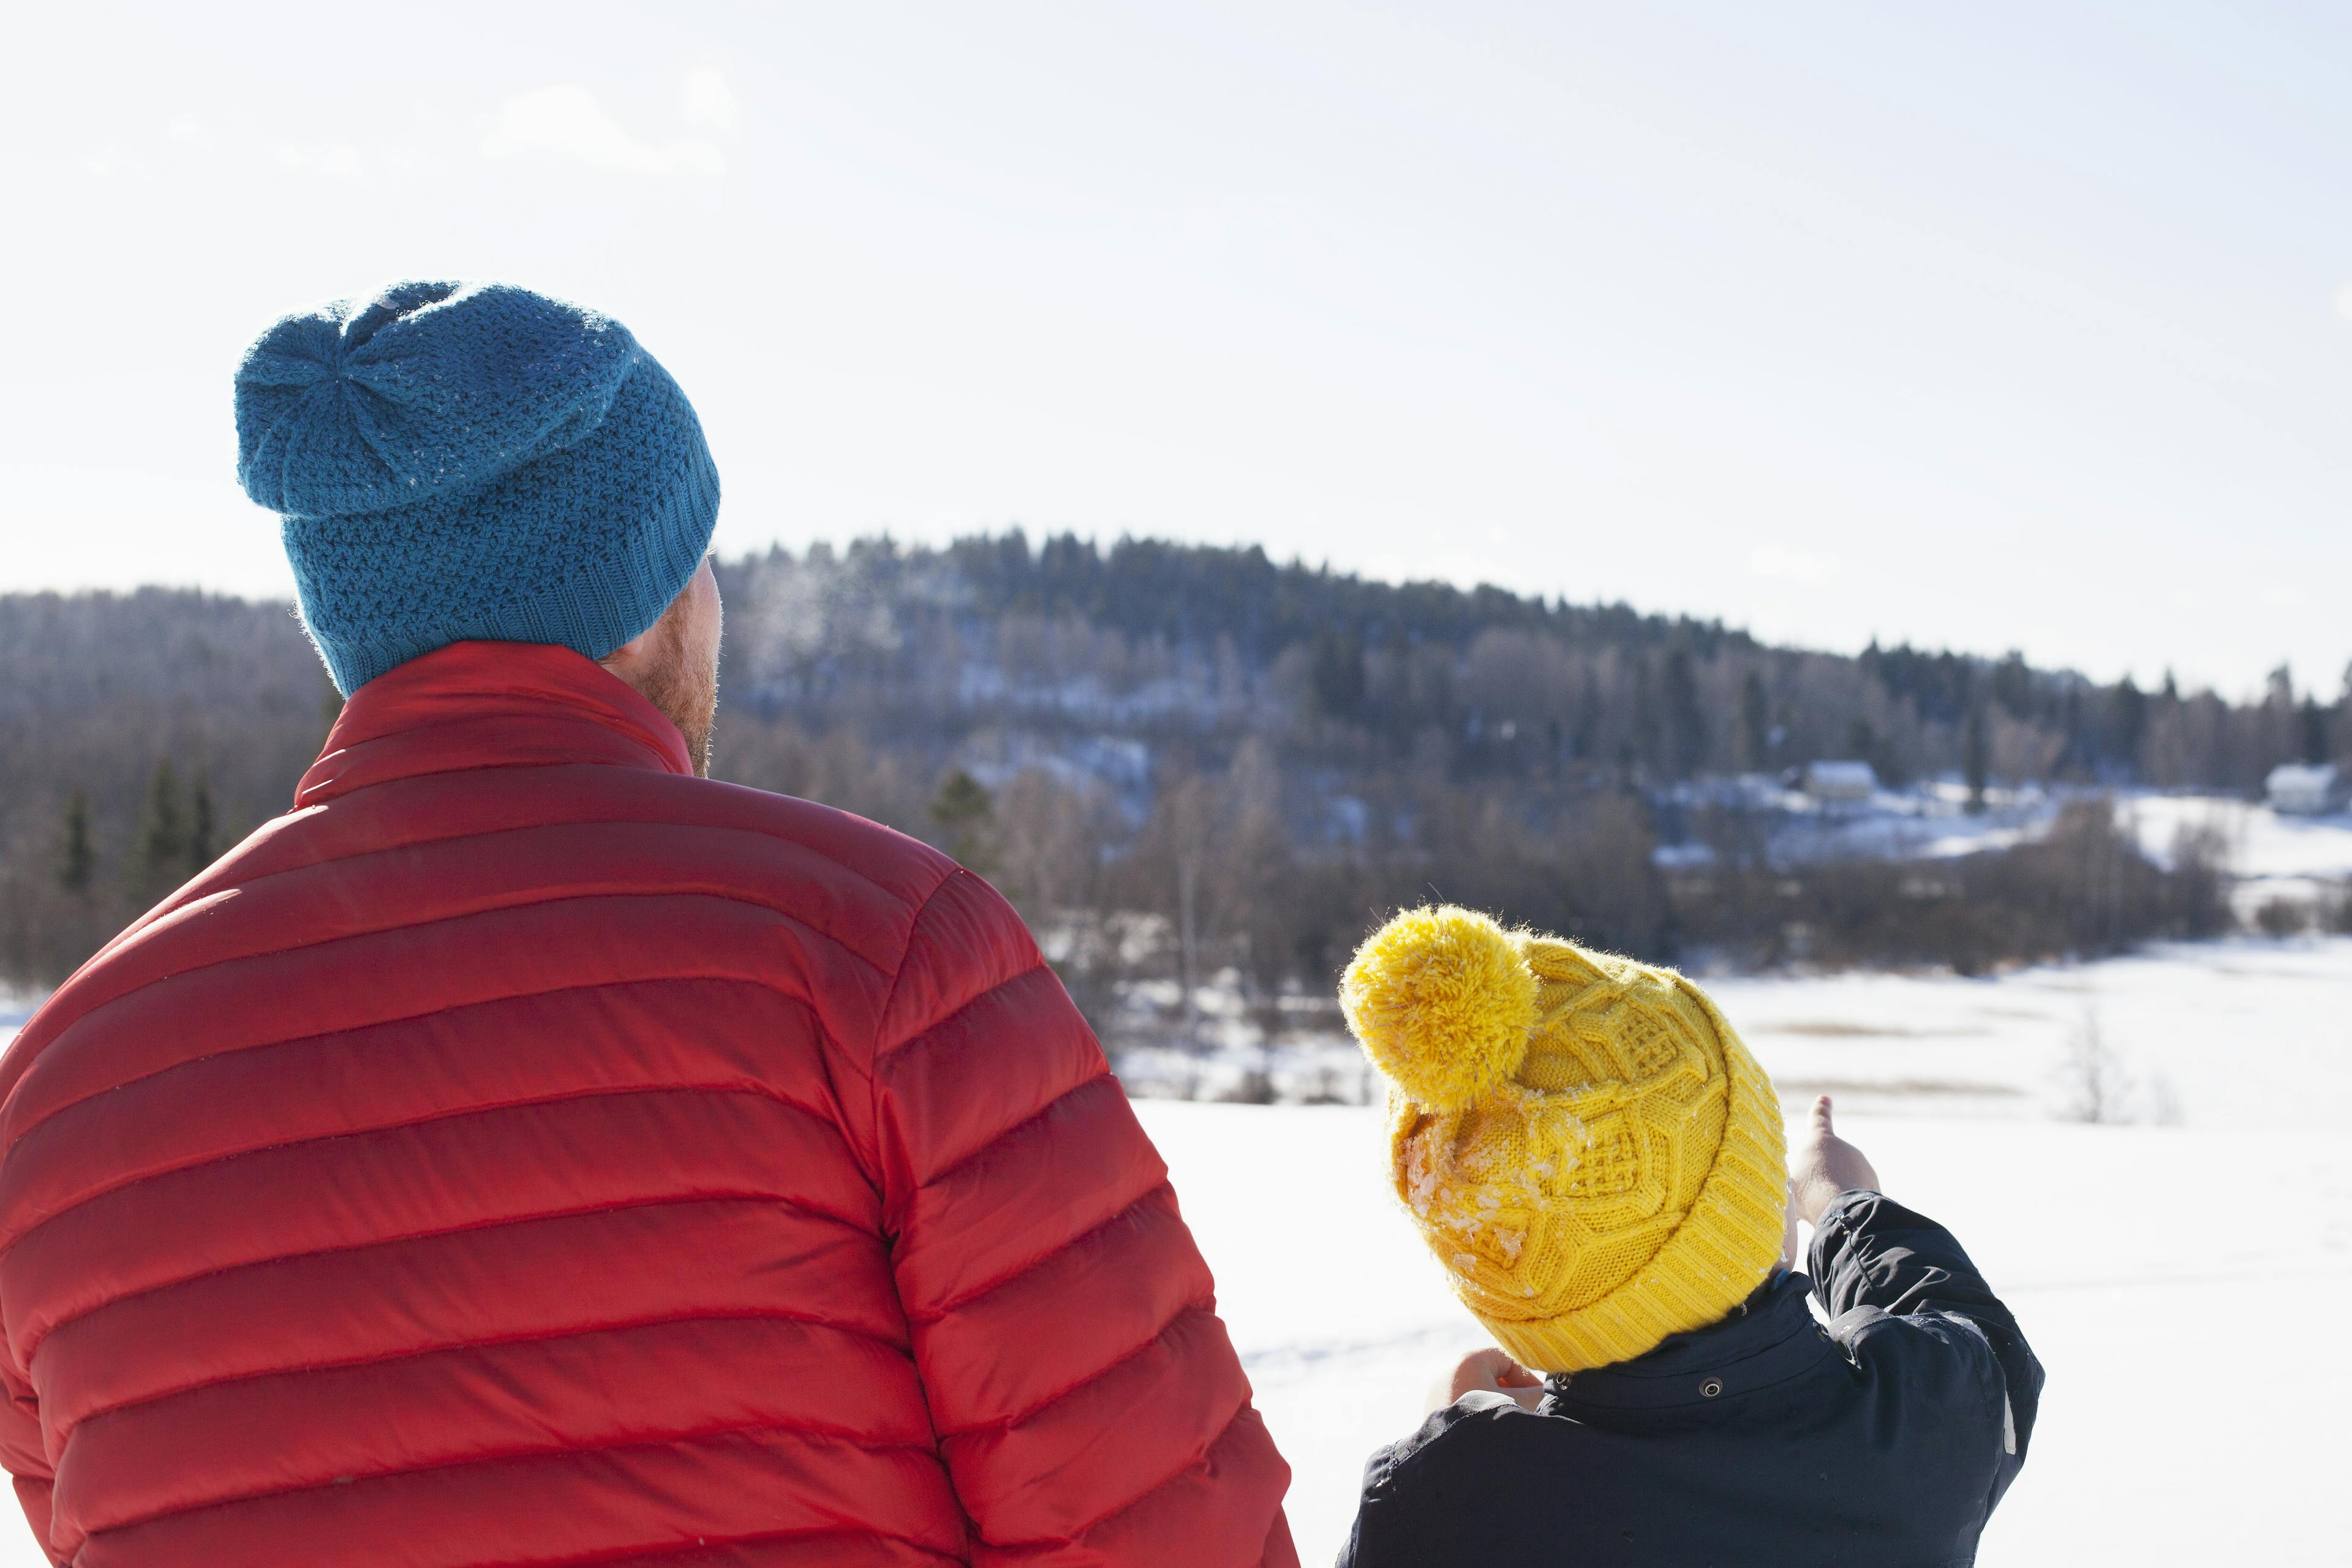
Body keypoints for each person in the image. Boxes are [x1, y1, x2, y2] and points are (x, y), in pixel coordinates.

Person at [0, 281, 1295, 1567]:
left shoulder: (49, 1101)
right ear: (644, 595)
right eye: (701, 553)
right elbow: (1158, 1529)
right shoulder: (886, 957)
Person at [1333, 905, 2041, 1568]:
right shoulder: (1916, 1435)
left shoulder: (1440, 1510)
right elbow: (1988, 1349)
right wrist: (1847, 1209)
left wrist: (1453, 1439)